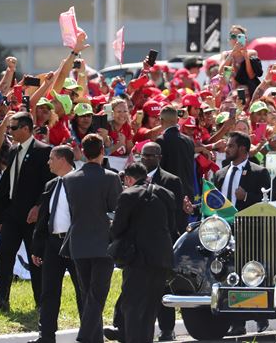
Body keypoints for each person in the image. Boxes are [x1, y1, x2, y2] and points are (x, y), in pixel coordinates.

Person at [0, 112, 53, 311]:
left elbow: (48, 184)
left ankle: (41, 303)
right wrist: (1, 214)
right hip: (12, 214)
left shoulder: (43, 150)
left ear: (26, 128)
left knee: (35, 258)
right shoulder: (13, 150)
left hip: (32, 216)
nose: (10, 131)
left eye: (13, 128)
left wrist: (39, 207)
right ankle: (1, 300)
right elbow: (8, 185)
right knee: (4, 255)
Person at [63, 133, 122, 343]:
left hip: (78, 242)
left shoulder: (69, 179)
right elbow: (116, 210)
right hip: (103, 243)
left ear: (83, 150)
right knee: (96, 295)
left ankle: (94, 338)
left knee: (88, 292)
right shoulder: (111, 177)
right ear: (102, 151)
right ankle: (85, 337)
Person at [213, 131, 271, 336]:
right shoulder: (220, 173)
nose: (226, 149)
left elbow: (268, 202)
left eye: (230, 146)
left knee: (251, 274)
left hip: (250, 232)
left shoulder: (259, 172)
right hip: (224, 233)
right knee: (230, 275)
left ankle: (261, 316)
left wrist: (246, 196)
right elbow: (214, 203)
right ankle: (237, 323)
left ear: (243, 149)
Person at [111, 162, 176, 343]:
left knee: (132, 307)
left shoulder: (128, 195)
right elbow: (171, 227)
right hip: (162, 260)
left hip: (137, 260)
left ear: (129, 179)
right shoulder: (166, 194)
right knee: (150, 309)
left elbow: (117, 229)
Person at [28, 145, 83, 343]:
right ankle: (46, 336)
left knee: (82, 290)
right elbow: (44, 218)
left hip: (76, 243)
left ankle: (87, 334)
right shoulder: (51, 185)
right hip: (53, 244)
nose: (48, 162)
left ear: (62, 159)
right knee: (48, 291)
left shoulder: (80, 181)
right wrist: (37, 247)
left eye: (51, 158)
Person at [155, 105, 196, 205]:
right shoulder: (189, 140)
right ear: (178, 120)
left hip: (168, 194)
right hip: (187, 194)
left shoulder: (161, 140)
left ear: (161, 121)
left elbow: (160, 169)